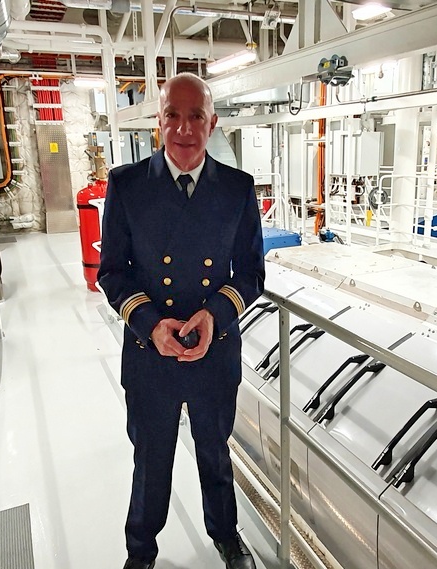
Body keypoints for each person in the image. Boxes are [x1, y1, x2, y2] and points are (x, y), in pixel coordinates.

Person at [98, 72, 265, 569]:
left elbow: (251, 274)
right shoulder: (127, 185)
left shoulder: (237, 189)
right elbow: (112, 272)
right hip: (150, 354)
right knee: (151, 460)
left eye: (196, 116)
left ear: (212, 124)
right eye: (173, 115)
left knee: (215, 452)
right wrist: (151, 324)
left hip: (214, 350)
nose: (184, 128)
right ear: (159, 120)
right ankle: (140, 552)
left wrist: (215, 315)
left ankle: (226, 535)